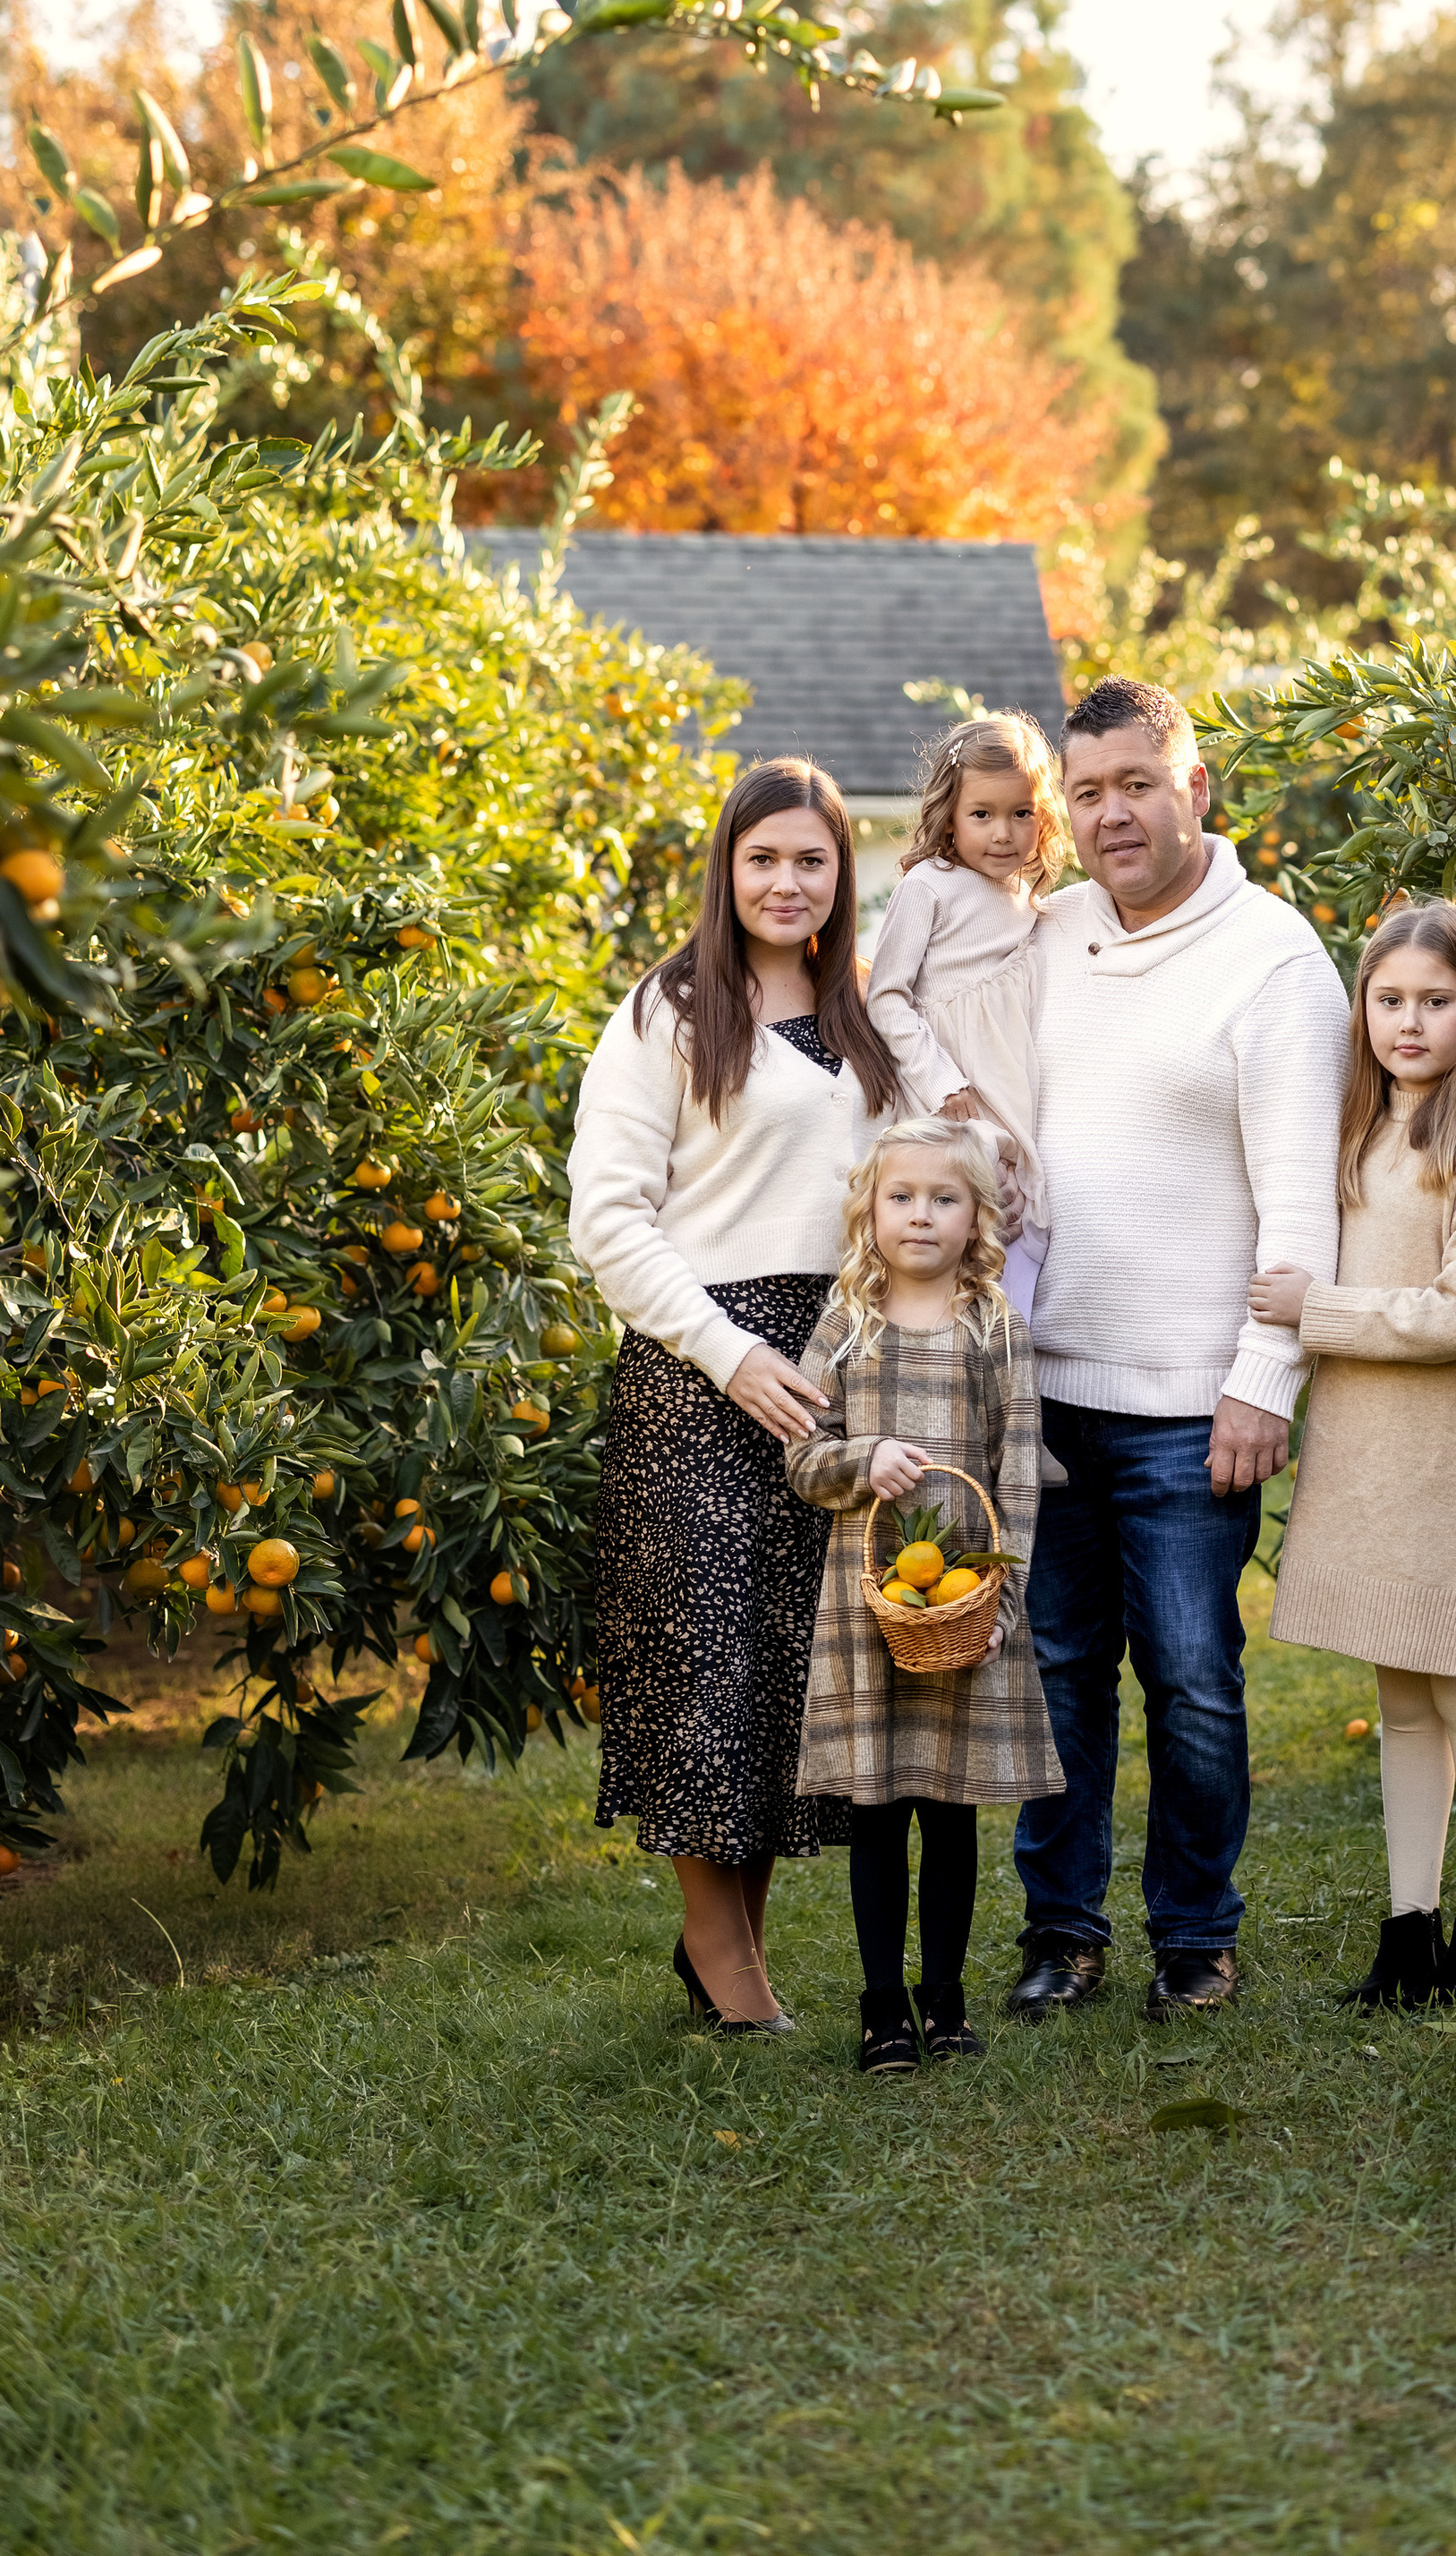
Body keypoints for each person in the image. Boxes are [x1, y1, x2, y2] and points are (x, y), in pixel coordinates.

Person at [1011, 674, 1350, 2021]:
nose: (1112, 815)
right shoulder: (1043, 938)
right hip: (1042, 1390)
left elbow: (1303, 1202)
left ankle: (1195, 1938)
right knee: (1056, 1678)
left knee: (1194, 1682)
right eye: (1087, 792)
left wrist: (1264, 1382)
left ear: (1194, 788)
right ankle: (1062, 1931)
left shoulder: (1275, 960)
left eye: (1137, 786)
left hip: (1191, 1405)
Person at [566, 756, 898, 2033]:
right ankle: (725, 1960)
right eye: (763, 858)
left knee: (781, 1678)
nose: (786, 881)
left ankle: (728, 1950)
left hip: (826, 1371)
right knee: (706, 1667)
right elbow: (608, 1217)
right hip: (700, 1372)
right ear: (728, 867)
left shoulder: (863, 1017)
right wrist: (728, 1352)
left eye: (811, 859)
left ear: (839, 874)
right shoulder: (668, 1010)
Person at [1255, 900, 1456, 2010]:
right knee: (1403, 1700)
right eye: (1388, 1001)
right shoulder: (1355, 1129)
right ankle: (1407, 1931)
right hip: (1371, 1448)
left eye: (1435, 1000)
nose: (1409, 1023)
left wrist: (1315, 1312)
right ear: (1361, 1010)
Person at [785, 1115, 1061, 2073]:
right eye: (900, 1196)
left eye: (944, 1199)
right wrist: (864, 1459)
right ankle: (881, 2009)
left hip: (964, 1604)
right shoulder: (845, 1324)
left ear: (976, 1216)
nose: (920, 1215)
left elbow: (1017, 1476)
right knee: (876, 1811)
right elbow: (803, 1458)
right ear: (870, 1209)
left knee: (949, 1807)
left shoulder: (996, 1328)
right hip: (868, 1604)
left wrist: (1002, 1607)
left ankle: (943, 2000)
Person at [864, 711, 1067, 1319]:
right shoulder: (930, 884)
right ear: (950, 815)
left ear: (1044, 816)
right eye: (982, 814)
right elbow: (886, 997)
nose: (1003, 834)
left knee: (1012, 1237)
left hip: (1007, 1090)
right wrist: (943, 1084)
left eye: (1021, 813)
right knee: (941, 1242)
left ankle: (1003, 1357)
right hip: (949, 1096)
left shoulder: (1030, 903)